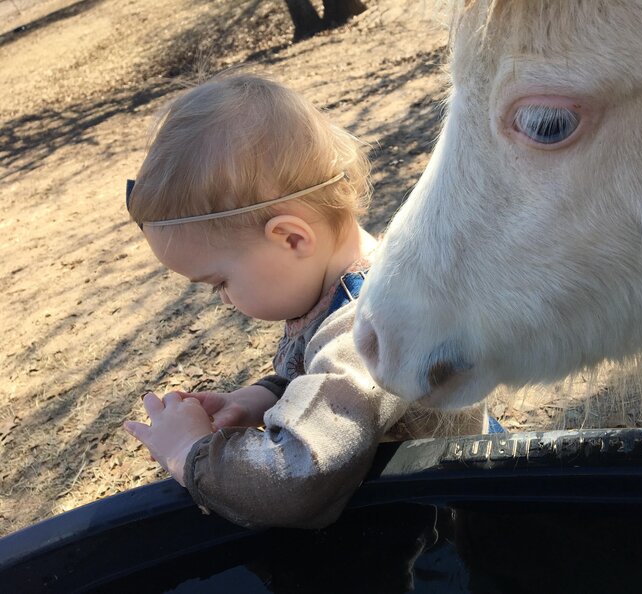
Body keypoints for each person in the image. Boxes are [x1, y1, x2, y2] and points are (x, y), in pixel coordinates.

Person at [123, 73, 491, 529]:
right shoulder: (336, 289)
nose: (223, 301)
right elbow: (323, 382)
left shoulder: (370, 326)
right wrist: (257, 398)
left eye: (219, 282)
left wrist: (189, 455)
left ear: (292, 238)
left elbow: (297, 479)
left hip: (445, 536)